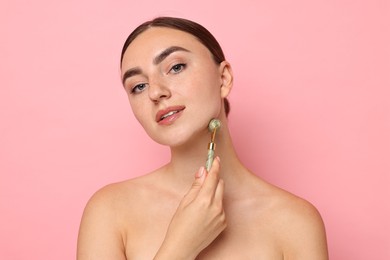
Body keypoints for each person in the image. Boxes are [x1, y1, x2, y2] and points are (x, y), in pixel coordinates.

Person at [77, 16, 328, 259]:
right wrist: (181, 246)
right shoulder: (110, 211)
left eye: (176, 67)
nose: (155, 92)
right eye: (138, 86)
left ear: (223, 78)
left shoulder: (294, 221)